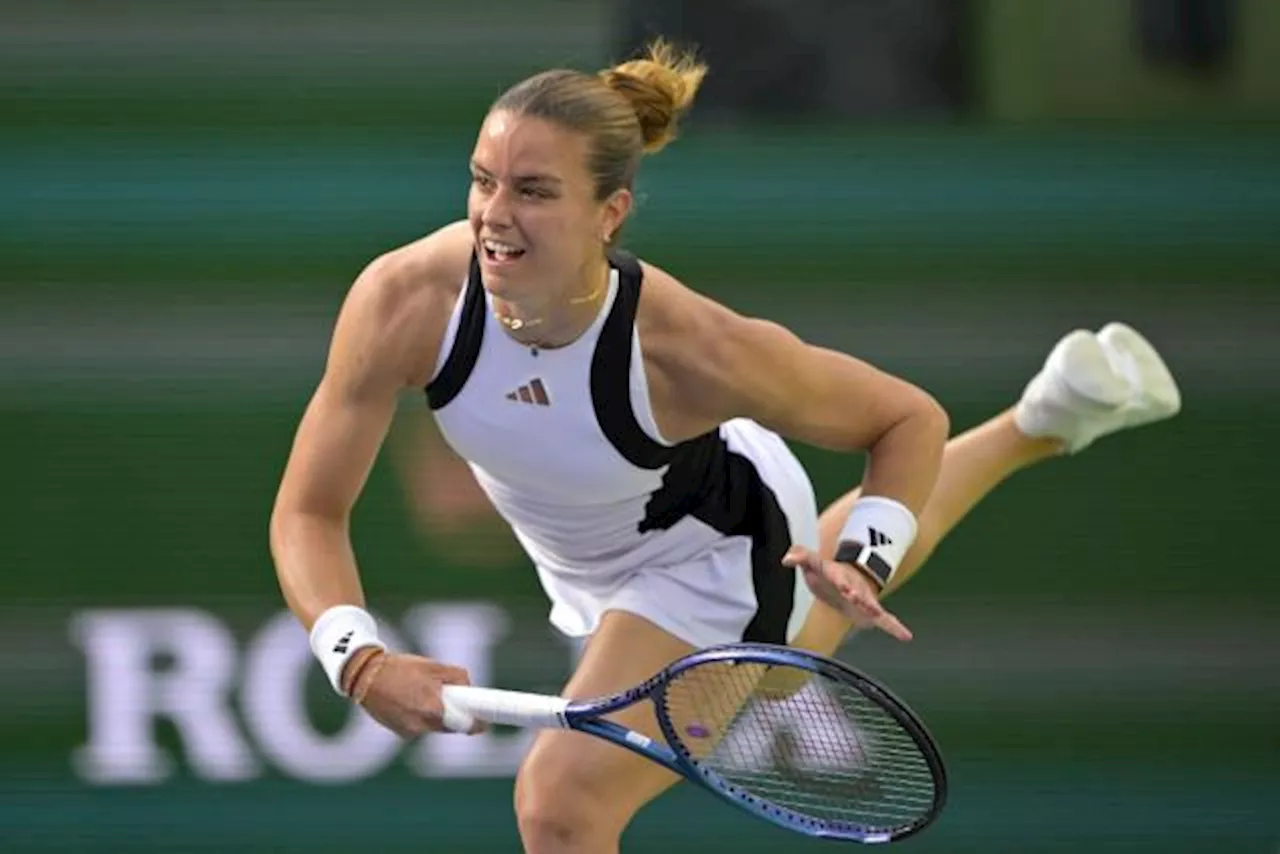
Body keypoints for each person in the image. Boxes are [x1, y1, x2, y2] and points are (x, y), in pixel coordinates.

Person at [268, 40, 1181, 854]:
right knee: (786, 667)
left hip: (709, 547)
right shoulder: (406, 299)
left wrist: (871, 555)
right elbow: (309, 510)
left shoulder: (688, 348)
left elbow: (905, 420)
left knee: (561, 805)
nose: (494, 216)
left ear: (609, 213)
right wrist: (360, 659)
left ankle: (1029, 431)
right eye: (483, 179)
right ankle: (1044, 419)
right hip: (584, 553)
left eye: (535, 191)